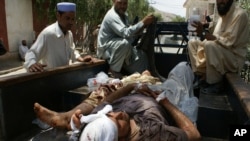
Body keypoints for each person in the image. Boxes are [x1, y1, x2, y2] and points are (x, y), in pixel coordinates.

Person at [33, 62, 200, 141]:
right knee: (182, 69)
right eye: (118, 123)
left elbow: (108, 103)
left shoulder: (103, 119)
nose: (119, 113)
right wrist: (164, 101)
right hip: (160, 93)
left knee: (102, 93)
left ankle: (66, 118)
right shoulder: (153, 134)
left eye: (111, 114)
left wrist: (131, 86)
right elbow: (194, 136)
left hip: (137, 88)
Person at [188, 0, 249, 94]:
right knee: (192, 43)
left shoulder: (240, 15)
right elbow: (215, 40)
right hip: (220, 53)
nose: (220, 1)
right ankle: (201, 76)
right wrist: (202, 33)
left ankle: (215, 84)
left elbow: (227, 42)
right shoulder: (221, 18)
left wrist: (204, 33)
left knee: (210, 45)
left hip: (233, 59)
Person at [24, 2, 95, 72]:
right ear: (58, 16)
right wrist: (31, 63)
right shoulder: (48, 34)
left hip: (64, 76)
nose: (71, 22)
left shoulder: (69, 34)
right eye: (67, 18)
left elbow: (72, 51)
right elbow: (31, 53)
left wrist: (81, 59)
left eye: (73, 19)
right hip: (50, 78)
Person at [96, 0, 155, 78]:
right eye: (120, 3)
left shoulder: (124, 15)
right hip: (107, 50)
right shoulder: (112, 16)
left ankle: (145, 76)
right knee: (125, 43)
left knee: (142, 55)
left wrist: (142, 28)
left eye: (125, 3)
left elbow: (130, 33)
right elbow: (125, 33)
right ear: (114, 1)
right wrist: (143, 22)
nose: (122, 6)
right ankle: (113, 70)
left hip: (119, 49)